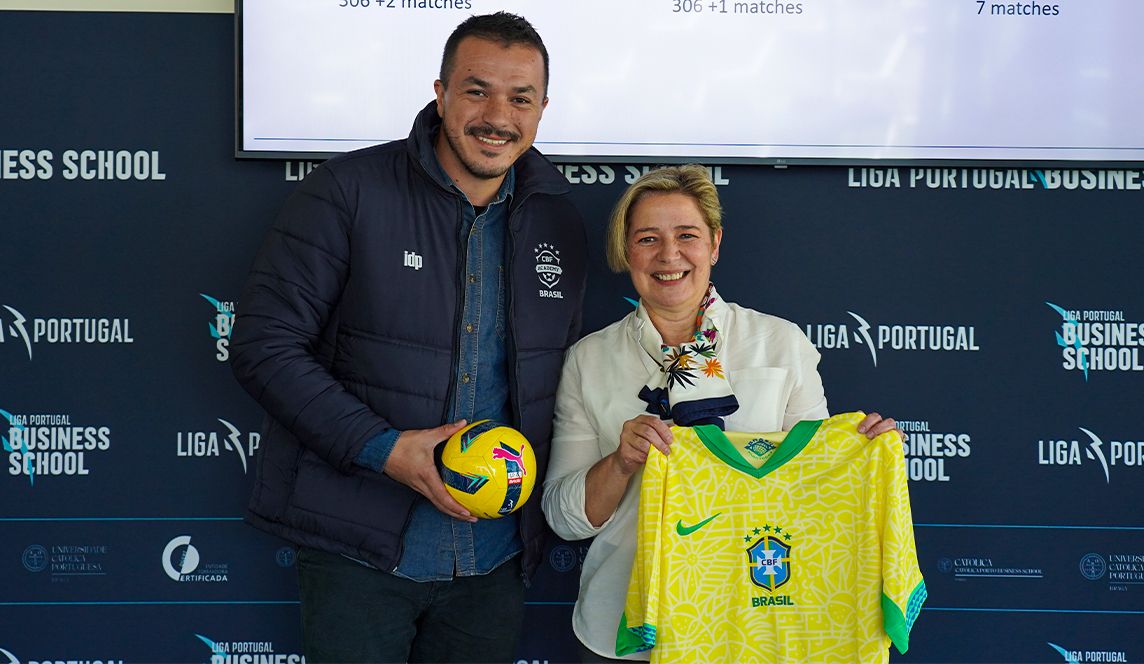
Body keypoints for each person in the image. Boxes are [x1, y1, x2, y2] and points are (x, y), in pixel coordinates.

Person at [230, 12, 586, 663]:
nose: (497, 116)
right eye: (476, 90)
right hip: (358, 553)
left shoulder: (558, 219)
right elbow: (264, 346)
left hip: (495, 562)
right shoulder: (347, 192)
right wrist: (384, 449)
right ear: (440, 92)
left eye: (521, 98)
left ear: (543, 110)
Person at [540, 164, 897, 661]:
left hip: (751, 629)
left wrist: (857, 456)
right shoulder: (588, 360)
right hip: (620, 630)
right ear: (627, 251)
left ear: (714, 244)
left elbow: (815, 496)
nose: (669, 255)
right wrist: (620, 463)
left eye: (687, 235)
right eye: (647, 239)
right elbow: (564, 519)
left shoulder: (782, 344)